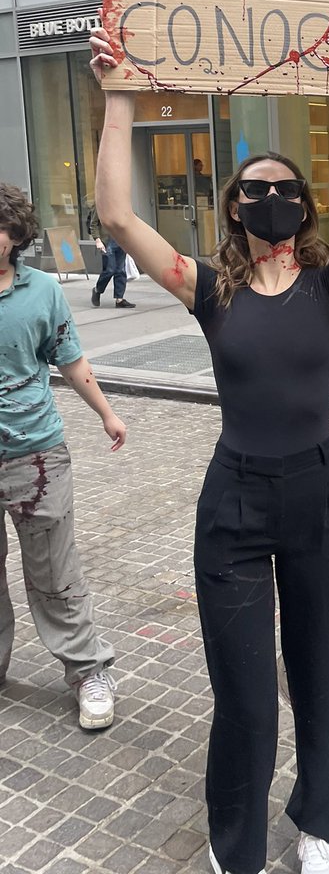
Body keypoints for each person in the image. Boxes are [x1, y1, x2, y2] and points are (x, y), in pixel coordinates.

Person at [90, 26, 329, 874]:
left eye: (285, 188)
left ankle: (321, 826)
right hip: (232, 502)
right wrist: (121, 94)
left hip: (317, 494)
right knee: (242, 696)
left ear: (304, 207)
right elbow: (117, 215)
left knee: (318, 674)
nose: (269, 197)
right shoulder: (208, 287)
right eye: (254, 188)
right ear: (235, 205)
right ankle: (235, 844)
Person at [0, 182, 125, 731]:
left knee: (54, 570)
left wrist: (106, 413)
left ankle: (88, 670)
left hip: (35, 453)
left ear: (15, 235)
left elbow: (70, 359)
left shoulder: (43, 290)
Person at [88, 203, 135, 309]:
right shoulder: (100, 204)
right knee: (110, 270)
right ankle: (97, 290)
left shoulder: (119, 202)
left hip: (121, 241)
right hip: (107, 242)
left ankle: (119, 299)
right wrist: (97, 240)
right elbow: (93, 224)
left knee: (121, 271)